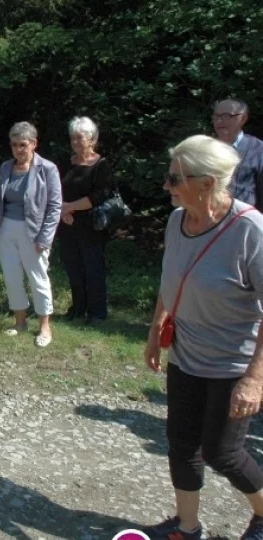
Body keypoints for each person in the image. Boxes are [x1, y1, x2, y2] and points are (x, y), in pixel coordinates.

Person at [141, 134, 263, 540]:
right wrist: (156, 328)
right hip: (186, 354)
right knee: (181, 444)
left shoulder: (250, 230)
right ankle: (187, 527)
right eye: (168, 176)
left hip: (233, 363)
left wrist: (255, 378)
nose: (167, 186)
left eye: (176, 179)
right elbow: (169, 277)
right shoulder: (178, 221)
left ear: (208, 182)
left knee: (222, 453)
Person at [0, 121, 61, 347]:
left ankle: (44, 326)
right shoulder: (5, 167)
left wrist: (45, 238)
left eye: (23, 145)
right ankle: (20, 322)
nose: (18, 150)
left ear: (34, 144)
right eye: (14, 145)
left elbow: (55, 206)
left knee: (38, 278)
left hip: (34, 232)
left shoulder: (47, 169)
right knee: (11, 277)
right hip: (6, 228)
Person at [56, 116, 114, 326]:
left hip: (91, 226)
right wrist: (62, 210)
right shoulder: (66, 163)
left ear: (92, 139)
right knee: (73, 268)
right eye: (73, 138)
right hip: (67, 225)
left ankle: (97, 313)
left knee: (93, 270)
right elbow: (55, 188)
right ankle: (78, 308)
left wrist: (70, 207)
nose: (75, 142)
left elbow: (100, 194)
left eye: (80, 138)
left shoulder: (101, 165)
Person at [211, 99, 263, 210]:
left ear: (243, 119)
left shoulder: (258, 150)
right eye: (216, 117)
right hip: (208, 221)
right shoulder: (205, 149)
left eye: (226, 116)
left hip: (245, 222)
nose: (219, 121)